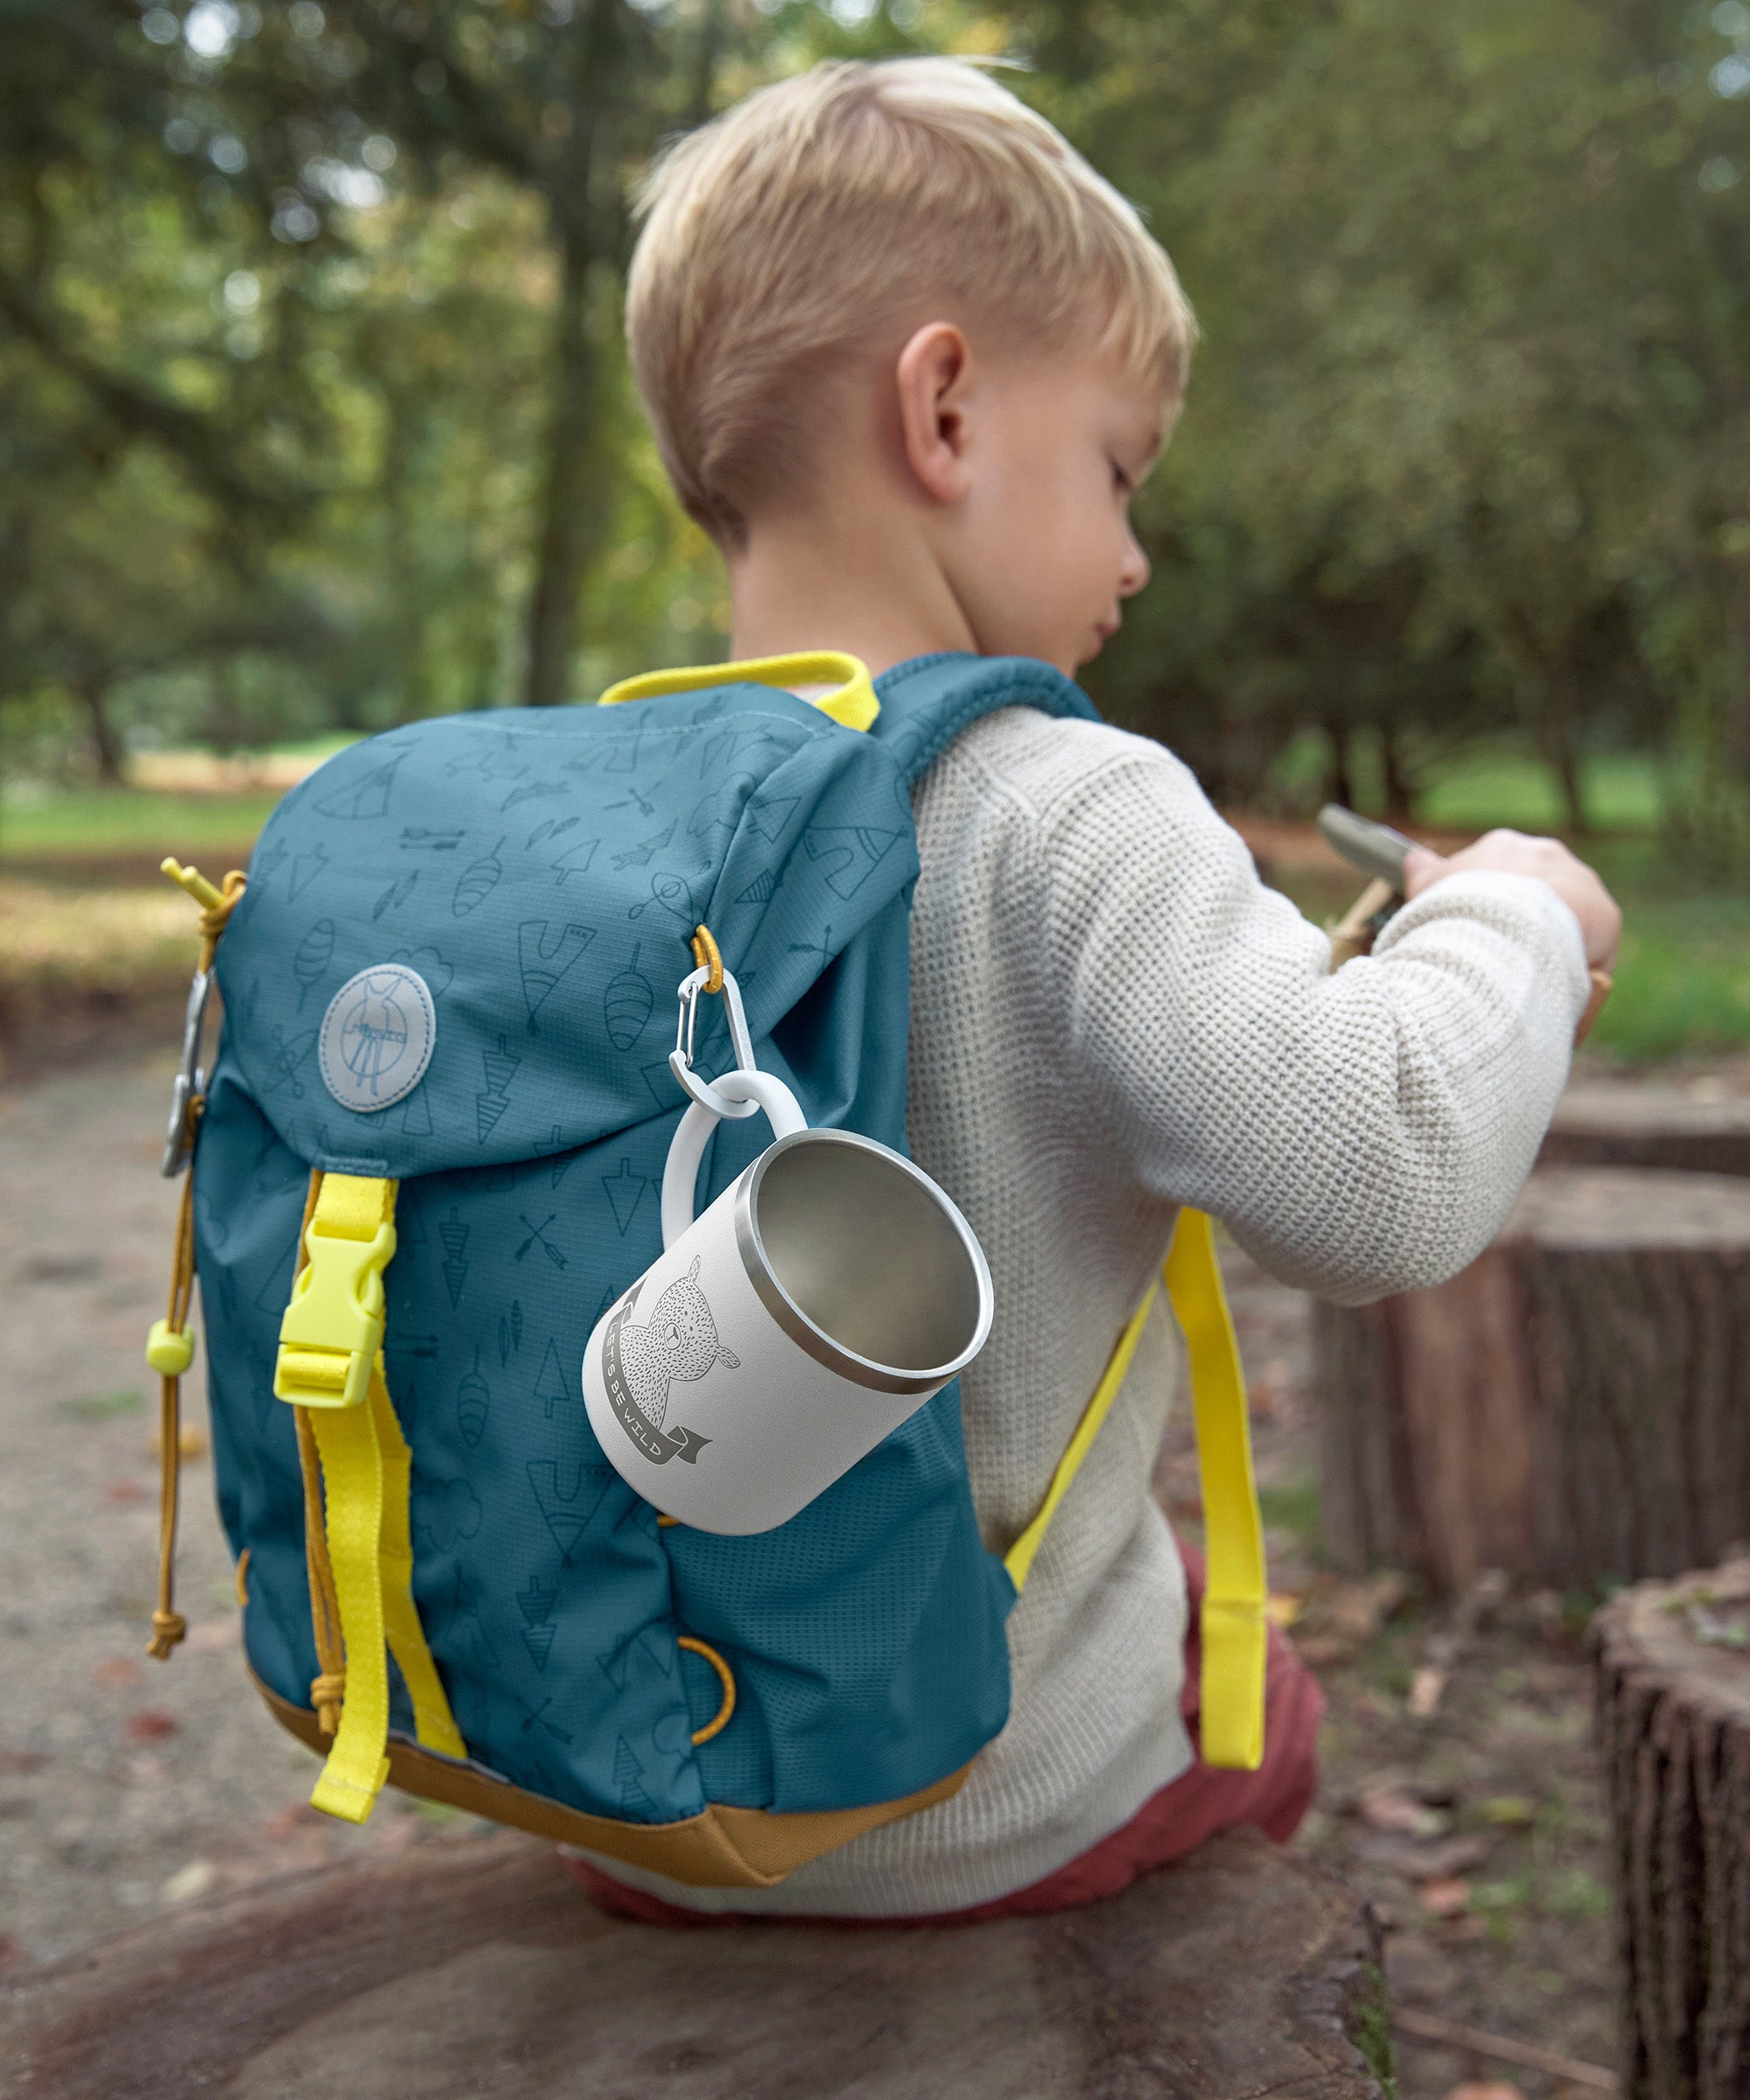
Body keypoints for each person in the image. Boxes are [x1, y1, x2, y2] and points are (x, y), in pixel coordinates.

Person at [568, 54, 1621, 1927]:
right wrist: (1516, 919)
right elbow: (1375, 1174)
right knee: (1269, 1702)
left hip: (606, 1778)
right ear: (948, 407)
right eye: (1117, 470)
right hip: (963, 1802)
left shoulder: (591, 809)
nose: (1134, 555)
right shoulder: (1062, 799)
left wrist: (1341, 978)